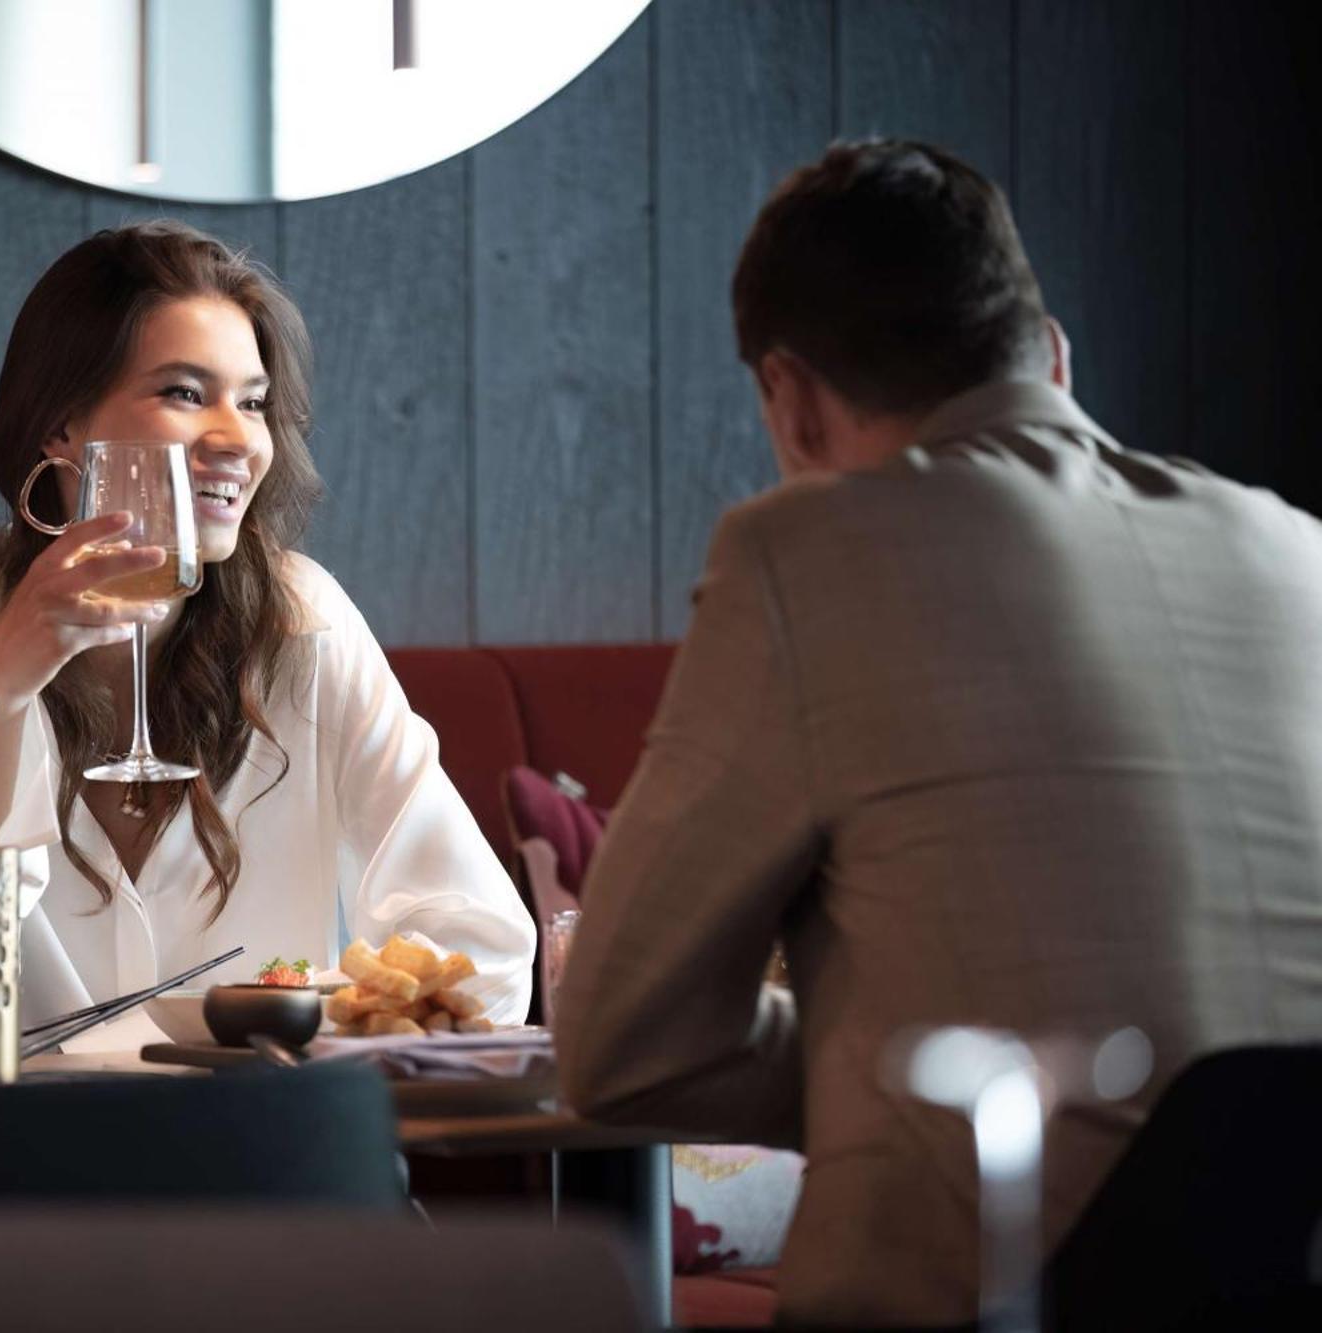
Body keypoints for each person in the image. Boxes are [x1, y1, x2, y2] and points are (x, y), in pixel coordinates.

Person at [555, 139, 1322, 1326]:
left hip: (998, 1291)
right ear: (1053, 354)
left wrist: (889, 1059)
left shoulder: (805, 551)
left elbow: (620, 1042)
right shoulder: (1292, 547)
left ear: (789, 399)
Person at [0, 221, 533, 1054]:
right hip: (19, 1165)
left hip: (270, 1150)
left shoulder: (305, 625)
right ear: (60, 426)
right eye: (186, 393)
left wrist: (307, 1019)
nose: (238, 440)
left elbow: (484, 946)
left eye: (254, 401)